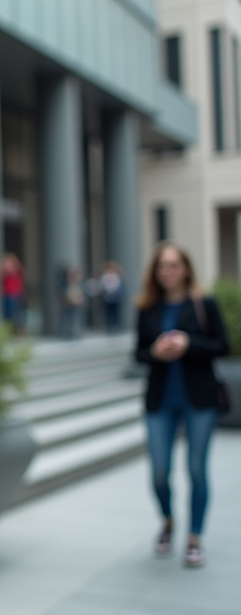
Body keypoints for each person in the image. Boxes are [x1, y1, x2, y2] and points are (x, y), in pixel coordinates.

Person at [134, 242, 230, 568]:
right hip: (160, 399)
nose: (168, 271)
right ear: (155, 271)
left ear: (186, 268)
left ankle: (194, 538)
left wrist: (190, 343)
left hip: (199, 398)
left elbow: (223, 345)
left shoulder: (204, 303)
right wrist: (156, 353)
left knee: (196, 469)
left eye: (174, 265)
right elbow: (138, 353)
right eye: (162, 265)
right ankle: (168, 520)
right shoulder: (147, 307)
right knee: (160, 472)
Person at [0, 253, 25, 333]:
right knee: (7, 315)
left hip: (14, 295)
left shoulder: (16, 271)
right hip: (6, 295)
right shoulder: (5, 272)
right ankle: (9, 331)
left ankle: (18, 331)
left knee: (16, 315)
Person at [59, 264, 84, 340]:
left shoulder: (76, 283)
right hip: (68, 304)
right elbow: (64, 294)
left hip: (76, 304)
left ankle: (74, 333)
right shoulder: (65, 283)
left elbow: (80, 293)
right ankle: (66, 334)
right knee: (67, 319)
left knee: (75, 319)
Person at [101, 260, 125, 333]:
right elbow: (104, 286)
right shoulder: (105, 276)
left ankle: (116, 326)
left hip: (115, 298)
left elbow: (119, 286)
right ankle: (109, 327)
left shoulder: (117, 276)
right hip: (108, 298)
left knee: (116, 313)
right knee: (108, 313)